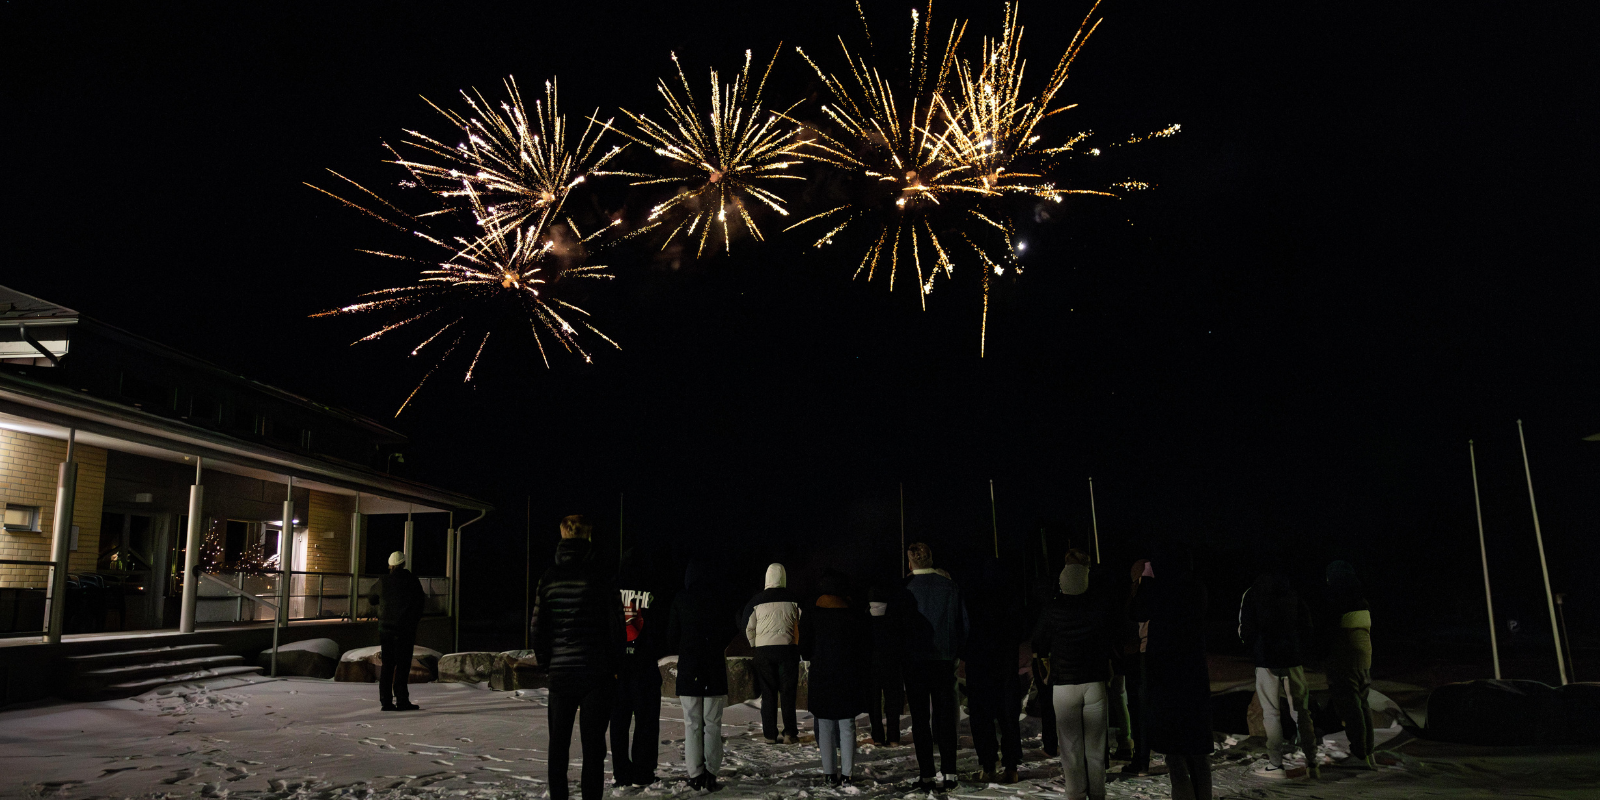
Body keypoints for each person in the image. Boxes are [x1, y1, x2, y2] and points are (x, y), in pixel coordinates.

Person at [530, 515, 624, 800]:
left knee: (558, 746)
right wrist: (615, 665)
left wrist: (547, 663)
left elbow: (538, 628)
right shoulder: (601, 576)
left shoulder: (548, 577)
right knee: (593, 748)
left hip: (560, 672)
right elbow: (616, 626)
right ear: (588, 537)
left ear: (563, 536)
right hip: (596, 673)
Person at [1132, 542, 1214, 800]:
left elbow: (1137, 610)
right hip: (1193, 673)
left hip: (1166, 676)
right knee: (1198, 754)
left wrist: (1146, 580)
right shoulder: (1196, 587)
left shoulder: (1158, 589)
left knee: (1174, 754)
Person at [1033, 562, 1113, 800]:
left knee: (1070, 747)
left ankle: (1075, 792)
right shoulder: (1097, 608)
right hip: (1094, 681)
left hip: (1064, 683)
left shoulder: (1052, 609)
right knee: (1096, 746)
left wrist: (1046, 667)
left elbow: (1039, 642)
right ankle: (1097, 792)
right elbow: (1108, 640)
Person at [1238, 572, 1318, 778]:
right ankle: (1312, 762)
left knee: (1271, 713)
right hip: (1293, 659)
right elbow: (1307, 626)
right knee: (1301, 712)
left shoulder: (1252, 593)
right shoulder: (1292, 593)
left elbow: (1246, 627)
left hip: (1266, 660)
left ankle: (1275, 763)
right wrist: (1299, 649)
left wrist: (1254, 648)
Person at [902, 542, 968, 791]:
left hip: (915, 661)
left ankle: (927, 774)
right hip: (943, 660)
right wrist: (958, 653)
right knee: (945, 716)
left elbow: (897, 628)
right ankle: (949, 771)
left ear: (910, 563)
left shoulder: (905, 588)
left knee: (920, 719)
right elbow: (963, 624)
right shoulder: (949, 586)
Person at [667, 560, 734, 792]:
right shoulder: (719, 599)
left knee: (692, 723)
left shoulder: (680, 599)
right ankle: (711, 773)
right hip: (713, 668)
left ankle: (695, 774)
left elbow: (671, 635)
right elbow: (729, 629)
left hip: (689, 668)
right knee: (712, 724)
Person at [799, 569, 869, 786]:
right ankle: (848, 774)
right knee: (847, 724)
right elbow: (863, 645)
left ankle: (829, 773)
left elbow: (804, 648)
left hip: (822, 672)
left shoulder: (812, 612)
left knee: (825, 724)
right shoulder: (854, 612)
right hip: (848, 672)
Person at [611, 549, 668, 787]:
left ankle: (621, 772)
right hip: (644, 665)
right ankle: (643, 772)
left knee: (619, 722)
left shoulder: (612, 591)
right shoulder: (652, 591)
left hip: (618, 667)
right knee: (646, 722)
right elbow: (661, 627)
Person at [965, 558, 1024, 783]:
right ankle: (1011, 767)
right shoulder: (1011, 596)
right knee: (1008, 716)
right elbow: (1019, 627)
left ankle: (989, 766)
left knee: (982, 716)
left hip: (979, 660)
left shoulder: (974, 597)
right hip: (1005, 661)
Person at [740, 563, 803, 744]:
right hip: (788, 650)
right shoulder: (794, 599)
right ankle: (790, 733)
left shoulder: (756, 601)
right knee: (788, 692)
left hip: (764, 651)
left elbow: (747, 626)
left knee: (768, 693)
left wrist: (755, 644)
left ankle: (769, 734)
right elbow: (804, 623)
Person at [1323, 561, 1374, 768]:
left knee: (1351, 707)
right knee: (1362, 703)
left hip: (1345, 656)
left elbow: (1329, 631)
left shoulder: (1337, 599)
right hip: (1364, 656)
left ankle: (1360, 754)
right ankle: (1368, 752)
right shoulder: (1361, 600)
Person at [369, 550, 426, 711]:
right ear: (403, 564)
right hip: (406, 631)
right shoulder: (412, 580)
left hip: (386, 630)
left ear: (390, 565)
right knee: (403, 665)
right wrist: (413, 621)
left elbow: (371, 599)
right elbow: (421, 603)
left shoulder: (383, 581)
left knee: (387, 665)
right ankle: (402, 700)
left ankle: (386, 701)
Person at [866, 583, 907, 747]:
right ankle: (893, 737)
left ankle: (877, 736)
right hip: (892, 664)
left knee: (873, 702)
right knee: (892, 701)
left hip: (871, 665)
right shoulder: (894, 617)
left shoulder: (865, 618)